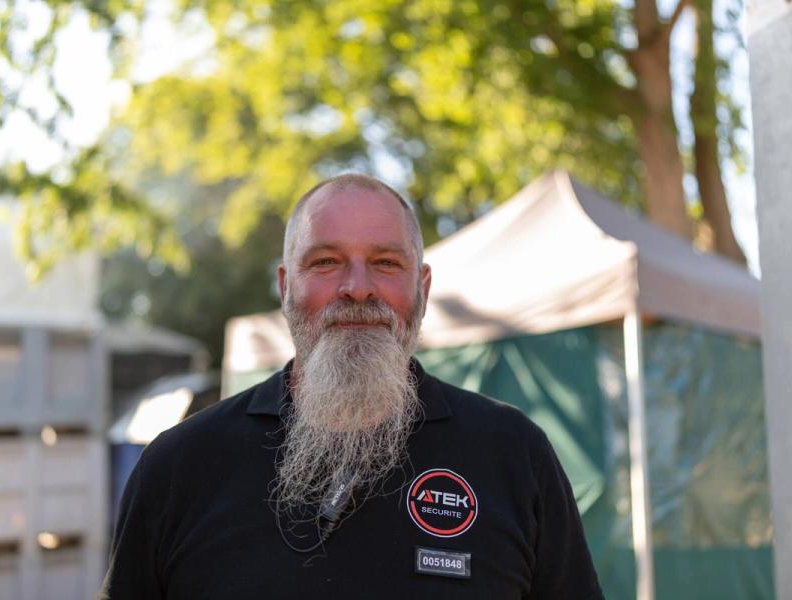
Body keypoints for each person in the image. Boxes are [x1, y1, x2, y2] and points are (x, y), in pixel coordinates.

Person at [100, 174, 605, 599]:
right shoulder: (179, 465)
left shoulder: (514, 453)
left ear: (422, 288)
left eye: (386, 263)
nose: (358, 288)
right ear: (286, 287)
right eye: (326, 261)